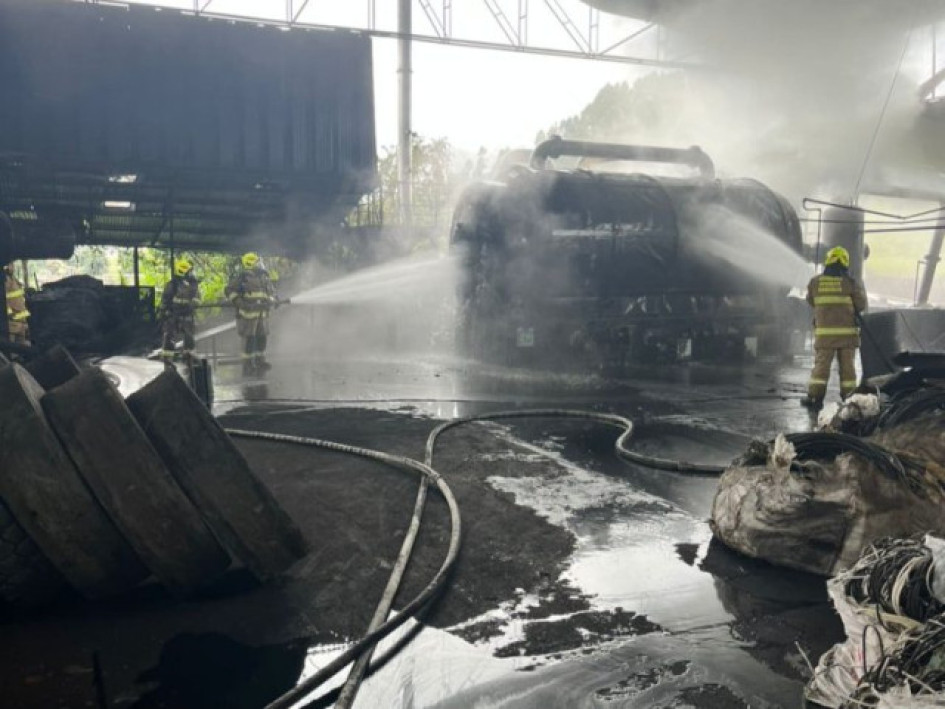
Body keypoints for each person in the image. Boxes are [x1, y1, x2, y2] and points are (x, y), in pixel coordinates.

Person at [800, 246, 868, 409]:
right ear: (845, 263)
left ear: (827, 262)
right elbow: (861, 304)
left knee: (821, 368)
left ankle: (815, 398)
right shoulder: (849, 283)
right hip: (847, 337)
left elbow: (810, 300)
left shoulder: (815, 282)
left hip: (825, 337)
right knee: (848, 370)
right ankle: (850, 399)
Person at [225, 252, 277, 376]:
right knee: (250, 340)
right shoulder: (243, 277)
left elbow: (271, 292)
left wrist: (275, 299)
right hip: (248, 315)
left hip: (262, 314)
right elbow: (229, 290)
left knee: (262, 338)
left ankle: (260, 361)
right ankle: (247, 364)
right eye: (256, 261)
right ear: (250, 262)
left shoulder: (263, 277)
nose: (259, 264)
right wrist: (242, 304)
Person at [159, 258, 200, 364]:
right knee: (169, 337)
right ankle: (167, 363)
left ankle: (189, 361)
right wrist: (166, 312)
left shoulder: (193, 285)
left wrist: (192, 305)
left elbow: (197, 299)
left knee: (189, 338)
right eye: (189, 271)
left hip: (187, 315)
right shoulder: (172, 284)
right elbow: (165, 300)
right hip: (173, 315)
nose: (190, 273)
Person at [4, 263, 30, 346]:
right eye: (10, 264)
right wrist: (9, 313)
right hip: (12, 322)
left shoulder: (14, 279)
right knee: (12, 349)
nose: (12, 266)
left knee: (22, 349)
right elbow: (3, 300)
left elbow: (19, 299)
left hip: (21, 320)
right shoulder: (5, 280)